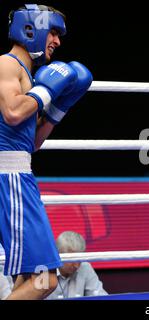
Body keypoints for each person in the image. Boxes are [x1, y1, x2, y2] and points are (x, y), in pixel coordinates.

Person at [0, 4, 92, 299]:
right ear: (32, 29)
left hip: (19, 175)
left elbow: (33, 142)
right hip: (10, 178)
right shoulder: (7, 64)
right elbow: (14, 112)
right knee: (46, 280)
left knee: (27, 278)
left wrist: (57, 108)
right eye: (52, 31)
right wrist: (47, 91)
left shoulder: (28, 75)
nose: (57, 41)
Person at [46, 231, 108, 299]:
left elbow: (100, 295)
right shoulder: (44, 270)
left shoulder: (85, 267)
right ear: (58, 254)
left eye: (79, 260)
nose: (77, 265)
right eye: (72, 259)